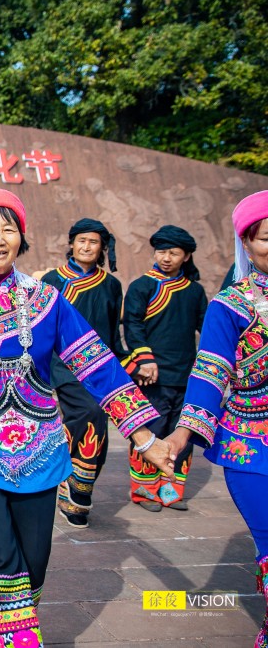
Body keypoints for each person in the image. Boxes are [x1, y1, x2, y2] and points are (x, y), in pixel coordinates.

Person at [0, 189, 174, 648]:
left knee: (34, 559)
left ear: (22, 239)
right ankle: (12, 640)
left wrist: (144, 435)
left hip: (39, 448)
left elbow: (96, 362)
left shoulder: (47, 300)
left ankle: (15, 623)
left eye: (8, 228)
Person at [168, 190, 268, 647]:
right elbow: (211, 370)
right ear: (246, 246)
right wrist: (183, 433)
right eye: (266, 238)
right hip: (252, 444)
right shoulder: (232, 305)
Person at [40, 219, 124, 528]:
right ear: (71, 244)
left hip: (101, 366)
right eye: (81, 240)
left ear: (103, 248)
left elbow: (113, 329)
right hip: (62, 364)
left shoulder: (111, 285)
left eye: (94, 242)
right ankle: (74, 490)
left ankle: (75, 486)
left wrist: (122, 364)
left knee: (97, 424)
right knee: (89, 413)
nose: (87, 246)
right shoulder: (52, 279)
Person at [122, 225, 207, 511]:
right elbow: (132, 324)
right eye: (161, 251)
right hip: (152, 375)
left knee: (181, 433)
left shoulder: (195, 291)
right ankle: (144, 491)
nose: (166, 257)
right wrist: (144, 359)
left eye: (173, 252)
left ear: (186, 256)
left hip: (187, 374)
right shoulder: (142, 286)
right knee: (152, 431)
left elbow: (205, 328)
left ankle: (171, 489)